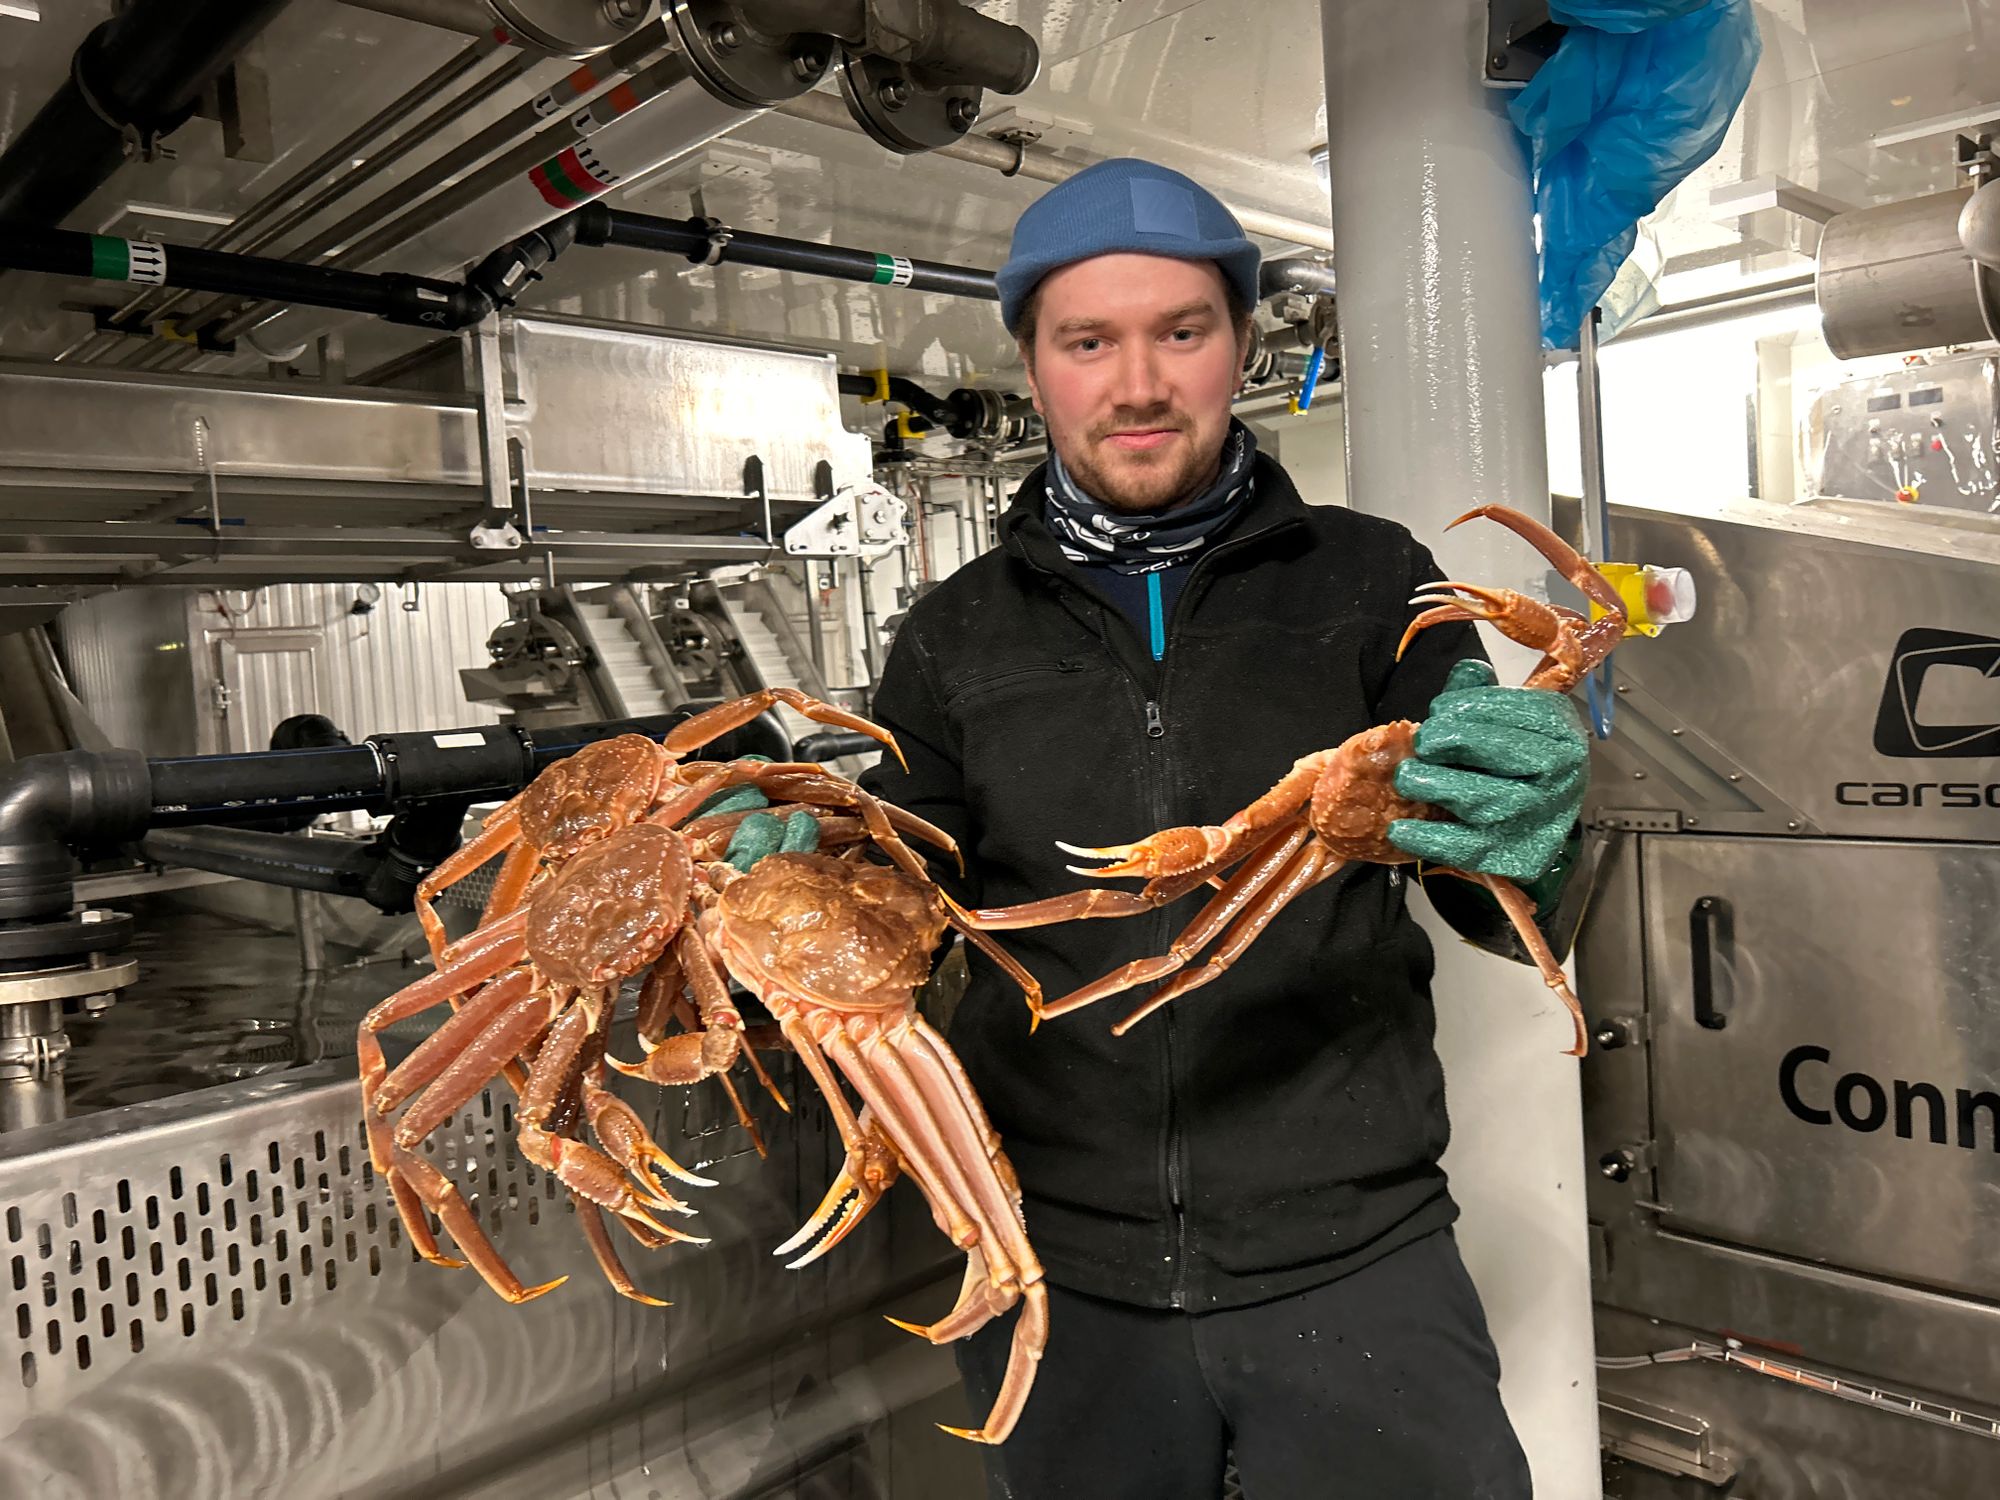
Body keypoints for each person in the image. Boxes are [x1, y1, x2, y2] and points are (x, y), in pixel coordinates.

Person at [860, 158, 1586, 1499]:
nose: (1139, 383)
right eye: (1090, 342)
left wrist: (1535, 820)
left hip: (1358, 1253)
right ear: (1037, 367)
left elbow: (1492, 898)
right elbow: (891, 917)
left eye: (1181, 332)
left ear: (1239, 346)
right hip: (1056, 1267)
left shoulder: (1373, 580)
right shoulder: (954, 635)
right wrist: (791, 878)